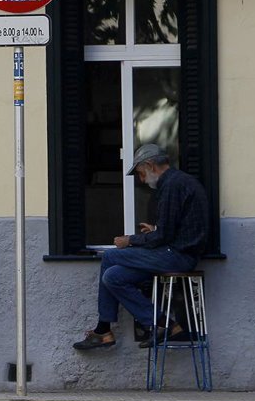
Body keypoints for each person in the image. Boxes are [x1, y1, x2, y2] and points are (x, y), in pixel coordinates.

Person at [73, 144, 209, 350]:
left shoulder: (171, 186)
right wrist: (155, 229)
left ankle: (103, 330)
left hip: (178, 255)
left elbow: (163, 236)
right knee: (113, 277)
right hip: (179, 251)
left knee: (110, 257)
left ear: (150, 165)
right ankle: (164, 323)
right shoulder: (179, 182)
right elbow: (176, 228)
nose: (142, 180)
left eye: (141, 173)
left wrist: (130, 240)